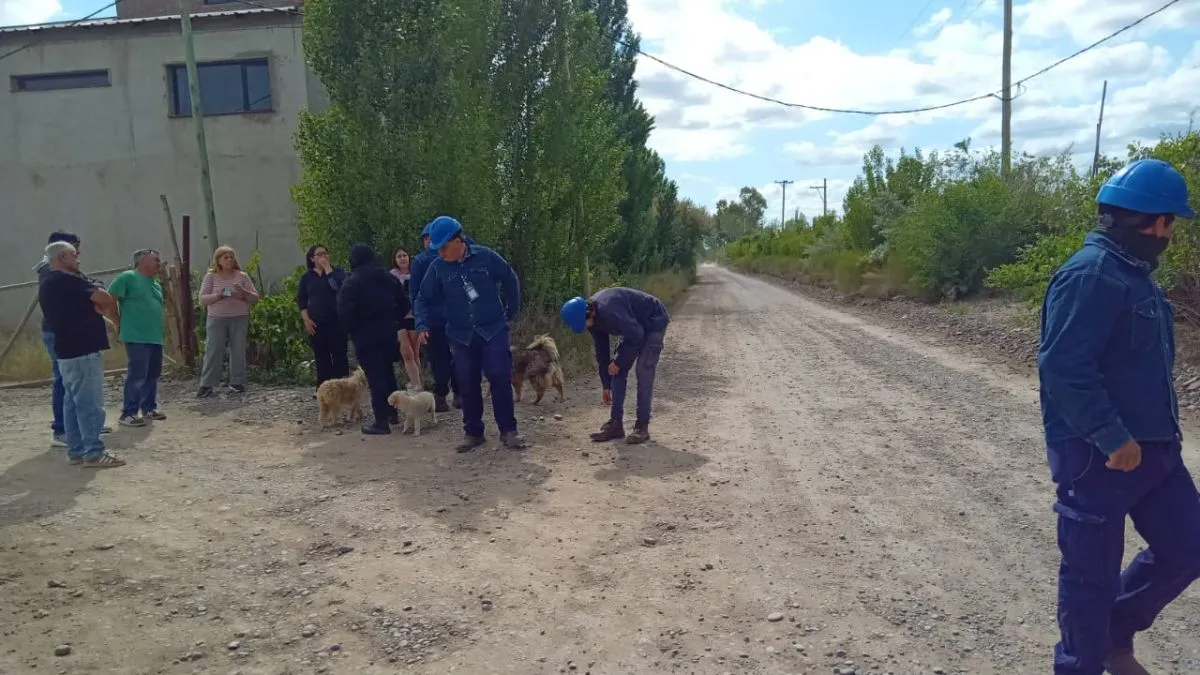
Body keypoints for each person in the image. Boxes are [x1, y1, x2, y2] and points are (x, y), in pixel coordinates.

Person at [1038, 158, 1200, 675]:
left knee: (1188, 548)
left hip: (1156, 454)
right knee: (1090, 578)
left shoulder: (1135, 277)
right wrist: (1111, 436)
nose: (1170, 234)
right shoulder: (1091, 274)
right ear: (1153, 221)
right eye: (1171, 222)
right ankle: (1078, 666)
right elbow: (1063, 367)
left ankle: (1114, 635)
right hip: (1100, 457)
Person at [415, 216, 527, 452]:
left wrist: (511, 311)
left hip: (493, 329)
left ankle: (508, 431)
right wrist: (422, 324)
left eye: (444, 248)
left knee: (499, 377)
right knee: (467, 382)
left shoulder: (485, 257)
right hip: (460, 335)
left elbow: (509, 278)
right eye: (437, 249)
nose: (441, 253)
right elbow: (423, 298)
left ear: (458, 241)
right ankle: (473, 432)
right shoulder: (437, 268)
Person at [38, 241, 125, 468]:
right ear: (63, 257)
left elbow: (96, 297)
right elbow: (105, 298)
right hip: (82, 350)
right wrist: (95, 296)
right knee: (89, 404)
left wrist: (93, 296)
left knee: (72, 402)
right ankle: (94, 453)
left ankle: (76, 450)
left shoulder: (50, 282)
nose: (78, 259)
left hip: (67, 351)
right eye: (74, 255)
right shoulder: (66, 279)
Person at [561, 287, 669, 445]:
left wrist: (619, 361)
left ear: (589, 313)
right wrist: (606, 384)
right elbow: (602, 352)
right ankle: (616, 424)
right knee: (615, 371)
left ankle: (642, 426)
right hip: (632, 325)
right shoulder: (592, 319)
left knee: (643, 370)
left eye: (584, 324)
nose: (586, 328)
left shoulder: (610, 311)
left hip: (653, 319)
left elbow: (637, 335)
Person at [337, 244, 407, 435]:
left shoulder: (352, 282)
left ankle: (381, 421)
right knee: (387, 371)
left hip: (365, 334)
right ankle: (393, 412)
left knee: (375, 376)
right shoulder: (389, 277)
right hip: (389, 332)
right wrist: (395, 321)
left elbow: (344, 312)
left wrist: (352, 330)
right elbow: (404, 303)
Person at [108, 249, 166, 427]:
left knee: (152, 374)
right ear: (143, 260)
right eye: (156, 259)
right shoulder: (128, 277)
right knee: (138, 374)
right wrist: (117, 321)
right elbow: (111, 299)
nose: (159, 263)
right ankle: (128, 413)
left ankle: (148, 408)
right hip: (136, 335)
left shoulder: (155, 283)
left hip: (154, 336)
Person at [197, 245, 259, 397]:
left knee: (238, 350)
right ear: (218, 260)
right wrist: (218, 295)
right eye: (226, 257)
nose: (229, 260)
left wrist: (243, 293)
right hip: (217, 318)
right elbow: (202, 299)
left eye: (231, 257)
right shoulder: (211, 277)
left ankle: (237, 382)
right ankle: (207, 384)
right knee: (214, 350)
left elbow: (255, 297)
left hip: (239, 317)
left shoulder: (242, 276)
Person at [411, 224, 460, 412]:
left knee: (438, 359)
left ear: (426, 239)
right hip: (455, 316)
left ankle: (440, 396)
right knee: (458, 355)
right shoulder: (455, 256)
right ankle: (459, 393)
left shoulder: (421, 261)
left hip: (432, 319)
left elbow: (416, 294)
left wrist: (419, 321)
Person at [297, 244, 349, 388]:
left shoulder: (337, 272)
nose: (323, 257)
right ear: (312, 258)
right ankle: (323, 389)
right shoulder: (307, 277)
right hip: (317, 323)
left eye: (325, 253)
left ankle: (342, 388)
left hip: (337, 322)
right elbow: (302, 300)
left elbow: (338, 288)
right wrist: (306, 320)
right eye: (319, 254)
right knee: (322, 357)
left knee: (339, 356)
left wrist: (328, 270)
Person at [390, 247, 424, 391]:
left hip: (414, 315)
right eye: (399, 256)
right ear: (395, 260)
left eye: (404, 255)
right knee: (406, 352)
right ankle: (416, 384)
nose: (403, 258)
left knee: (415, 352)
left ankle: (417, 382)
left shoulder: (415, 274)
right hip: (398, 316)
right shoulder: (392, 275)